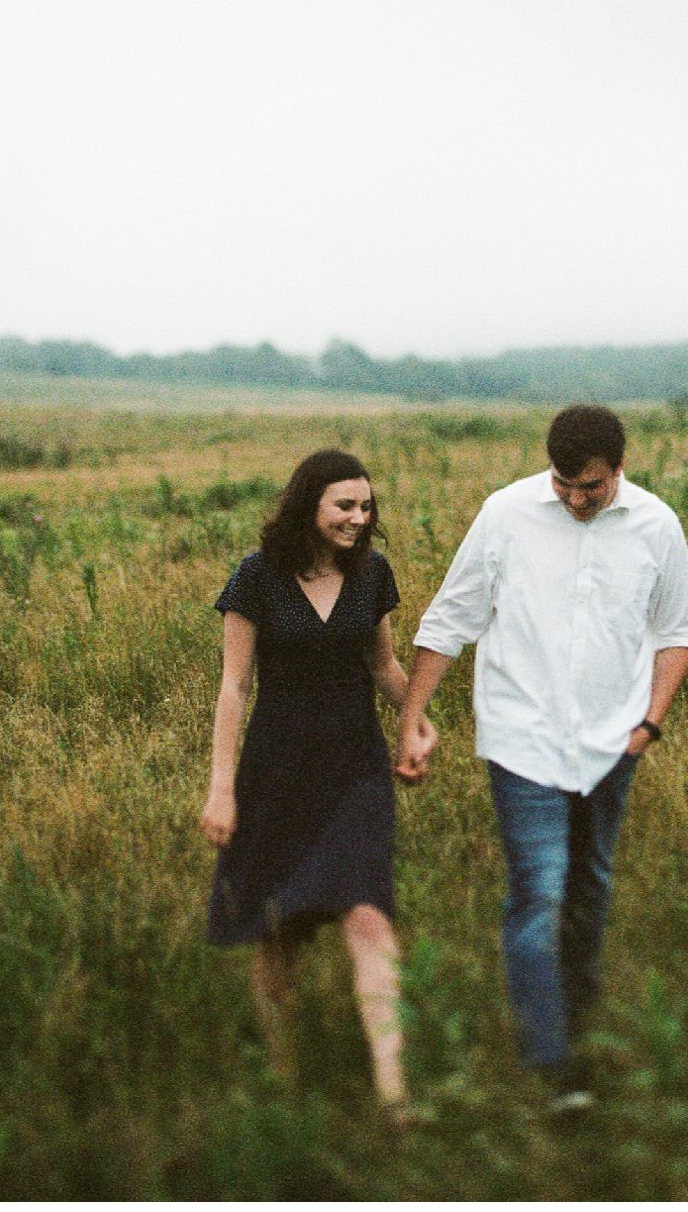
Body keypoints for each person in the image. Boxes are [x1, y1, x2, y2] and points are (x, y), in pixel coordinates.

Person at [394, 404, 688, 1112]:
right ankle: (550, 1064)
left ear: (619, 469)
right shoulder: (505, 514)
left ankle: (579, 1016)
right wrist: (412, 719)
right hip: (522, 737)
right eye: (564, 483)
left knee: (590, 889)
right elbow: (449, 618)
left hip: (612, 741)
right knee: (540, 890)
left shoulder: (658, 525)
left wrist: (648, 725)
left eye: (590, 486)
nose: (574, 497)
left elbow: (678, 631)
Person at [199, 448, 432, 1122]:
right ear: (309, 504)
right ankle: (282, 1076)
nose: (359, 518)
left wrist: (416, 724)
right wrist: (222, 787)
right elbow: (234, 687)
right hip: (276, 770)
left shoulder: (372, 574)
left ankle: (394, 1093)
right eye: (345, 506)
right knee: (283, 928)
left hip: (356, 768)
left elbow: (385, 664)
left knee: (368, 917)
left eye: (366, 507)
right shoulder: (257, 577)